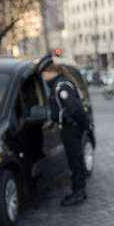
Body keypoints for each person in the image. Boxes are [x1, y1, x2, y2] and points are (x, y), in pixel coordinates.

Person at [42, 63, 91, 206]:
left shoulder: (61, 86)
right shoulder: (58, 84)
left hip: (70, 129)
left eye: (45, 73)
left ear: (52, 72)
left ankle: (78, 192)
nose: (44, 77)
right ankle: (79, 190)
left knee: (75, 161)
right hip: (70, 127)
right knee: (76, 159)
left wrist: (80, 125)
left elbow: (74, 108)